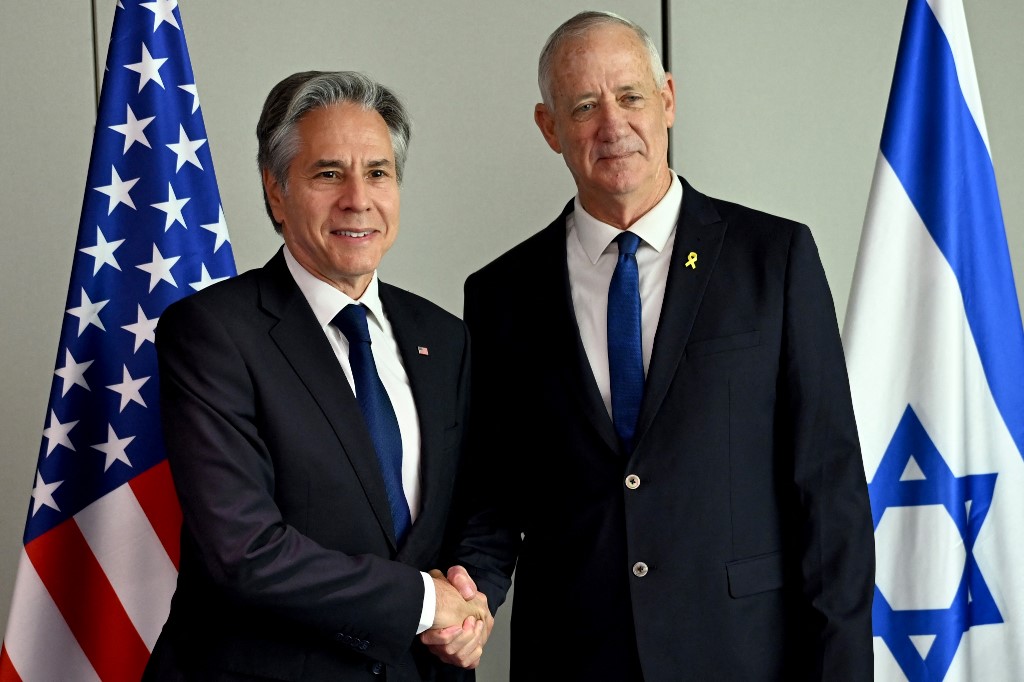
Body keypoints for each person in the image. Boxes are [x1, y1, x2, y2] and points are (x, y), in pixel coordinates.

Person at [441, 10, 875, 681]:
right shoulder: (500, 294)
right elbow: (494, 497)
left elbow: (830, 495)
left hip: (745, 656)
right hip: (575, 659)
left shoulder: (773, 259)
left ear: (667, 100)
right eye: (584, 105)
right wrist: (470, 597)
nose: (612, 125)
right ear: (550, 128)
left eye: (631, 96)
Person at [143, 70, 490, 681]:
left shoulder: (444, 336)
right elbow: (245, 552)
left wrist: (470, 606)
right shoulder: (212, 333)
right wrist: (424, 602)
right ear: (276, 191)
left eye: (378, 172)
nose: (358, 198)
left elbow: (479, 508)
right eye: (329, 173)